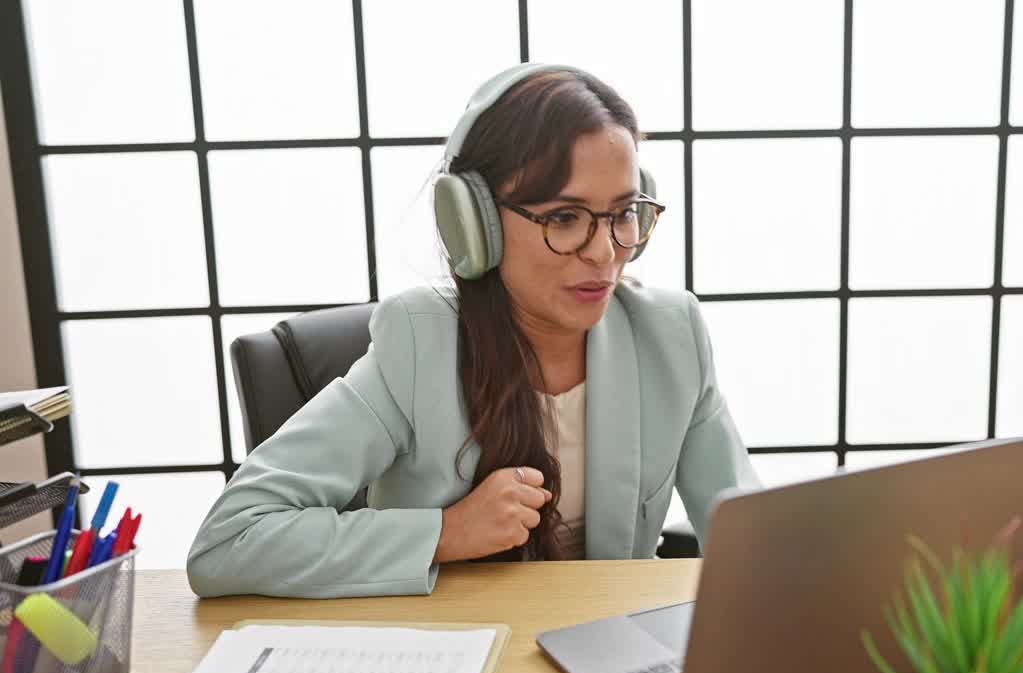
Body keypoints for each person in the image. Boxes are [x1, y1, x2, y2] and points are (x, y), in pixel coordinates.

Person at [186, 63, 758, 598]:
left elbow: (749, 542)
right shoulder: (418, 345)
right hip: (459, 665)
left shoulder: (670, 333)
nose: (605, 252)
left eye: (624, 212)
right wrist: (445, 533)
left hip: (611, 653)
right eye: (564, 217)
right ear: (474, 222)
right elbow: (229, 540)